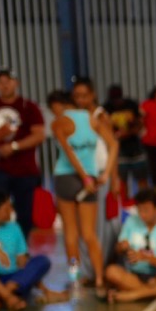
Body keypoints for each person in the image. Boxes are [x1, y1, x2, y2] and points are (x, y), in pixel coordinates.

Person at [52, 82, 116, 298]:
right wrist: (103, 173)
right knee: (89, 234)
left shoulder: (60, 122)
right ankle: (98, 279)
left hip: (68, 177)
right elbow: (114, 145)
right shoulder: (93, 120)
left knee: (71, 234)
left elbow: (68, 153)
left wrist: (87, 177)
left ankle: (75, 279)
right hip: (87, 178)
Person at [0, 188, 67, 309]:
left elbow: (22, 262)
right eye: (6, 209)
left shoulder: (14, 227)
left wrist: (25, 265)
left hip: (12, 279)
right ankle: (7, 296)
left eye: (10, 207)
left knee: (42, 261)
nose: (11, 211)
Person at [0, 69, 45, 236]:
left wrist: (14, 146)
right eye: (0, 82)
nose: (5, 86)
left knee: (25, 214)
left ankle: (21, 247)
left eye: (8, 81)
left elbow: (39, 135)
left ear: (16, 83)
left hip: (24, 170)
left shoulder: (29, 107)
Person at [105, 187, 156, 303]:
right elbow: (118, 249)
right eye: (139, 210)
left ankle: (134, 295)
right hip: (134, 274)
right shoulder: (131, 221)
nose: (142, 214)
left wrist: (145, 258)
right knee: (111, 272)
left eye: (146, 210)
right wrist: (122, 247)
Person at [104, 84, 146, 200]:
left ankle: (144, 200)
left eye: (118, 100)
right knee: (122, 178)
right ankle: (125, 201)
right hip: (119, 148)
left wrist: (129, 132)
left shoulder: (131, 105)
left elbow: (140, 123)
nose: (117, 103)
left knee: (141, 176)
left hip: (134, 146)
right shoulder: (107, 108)